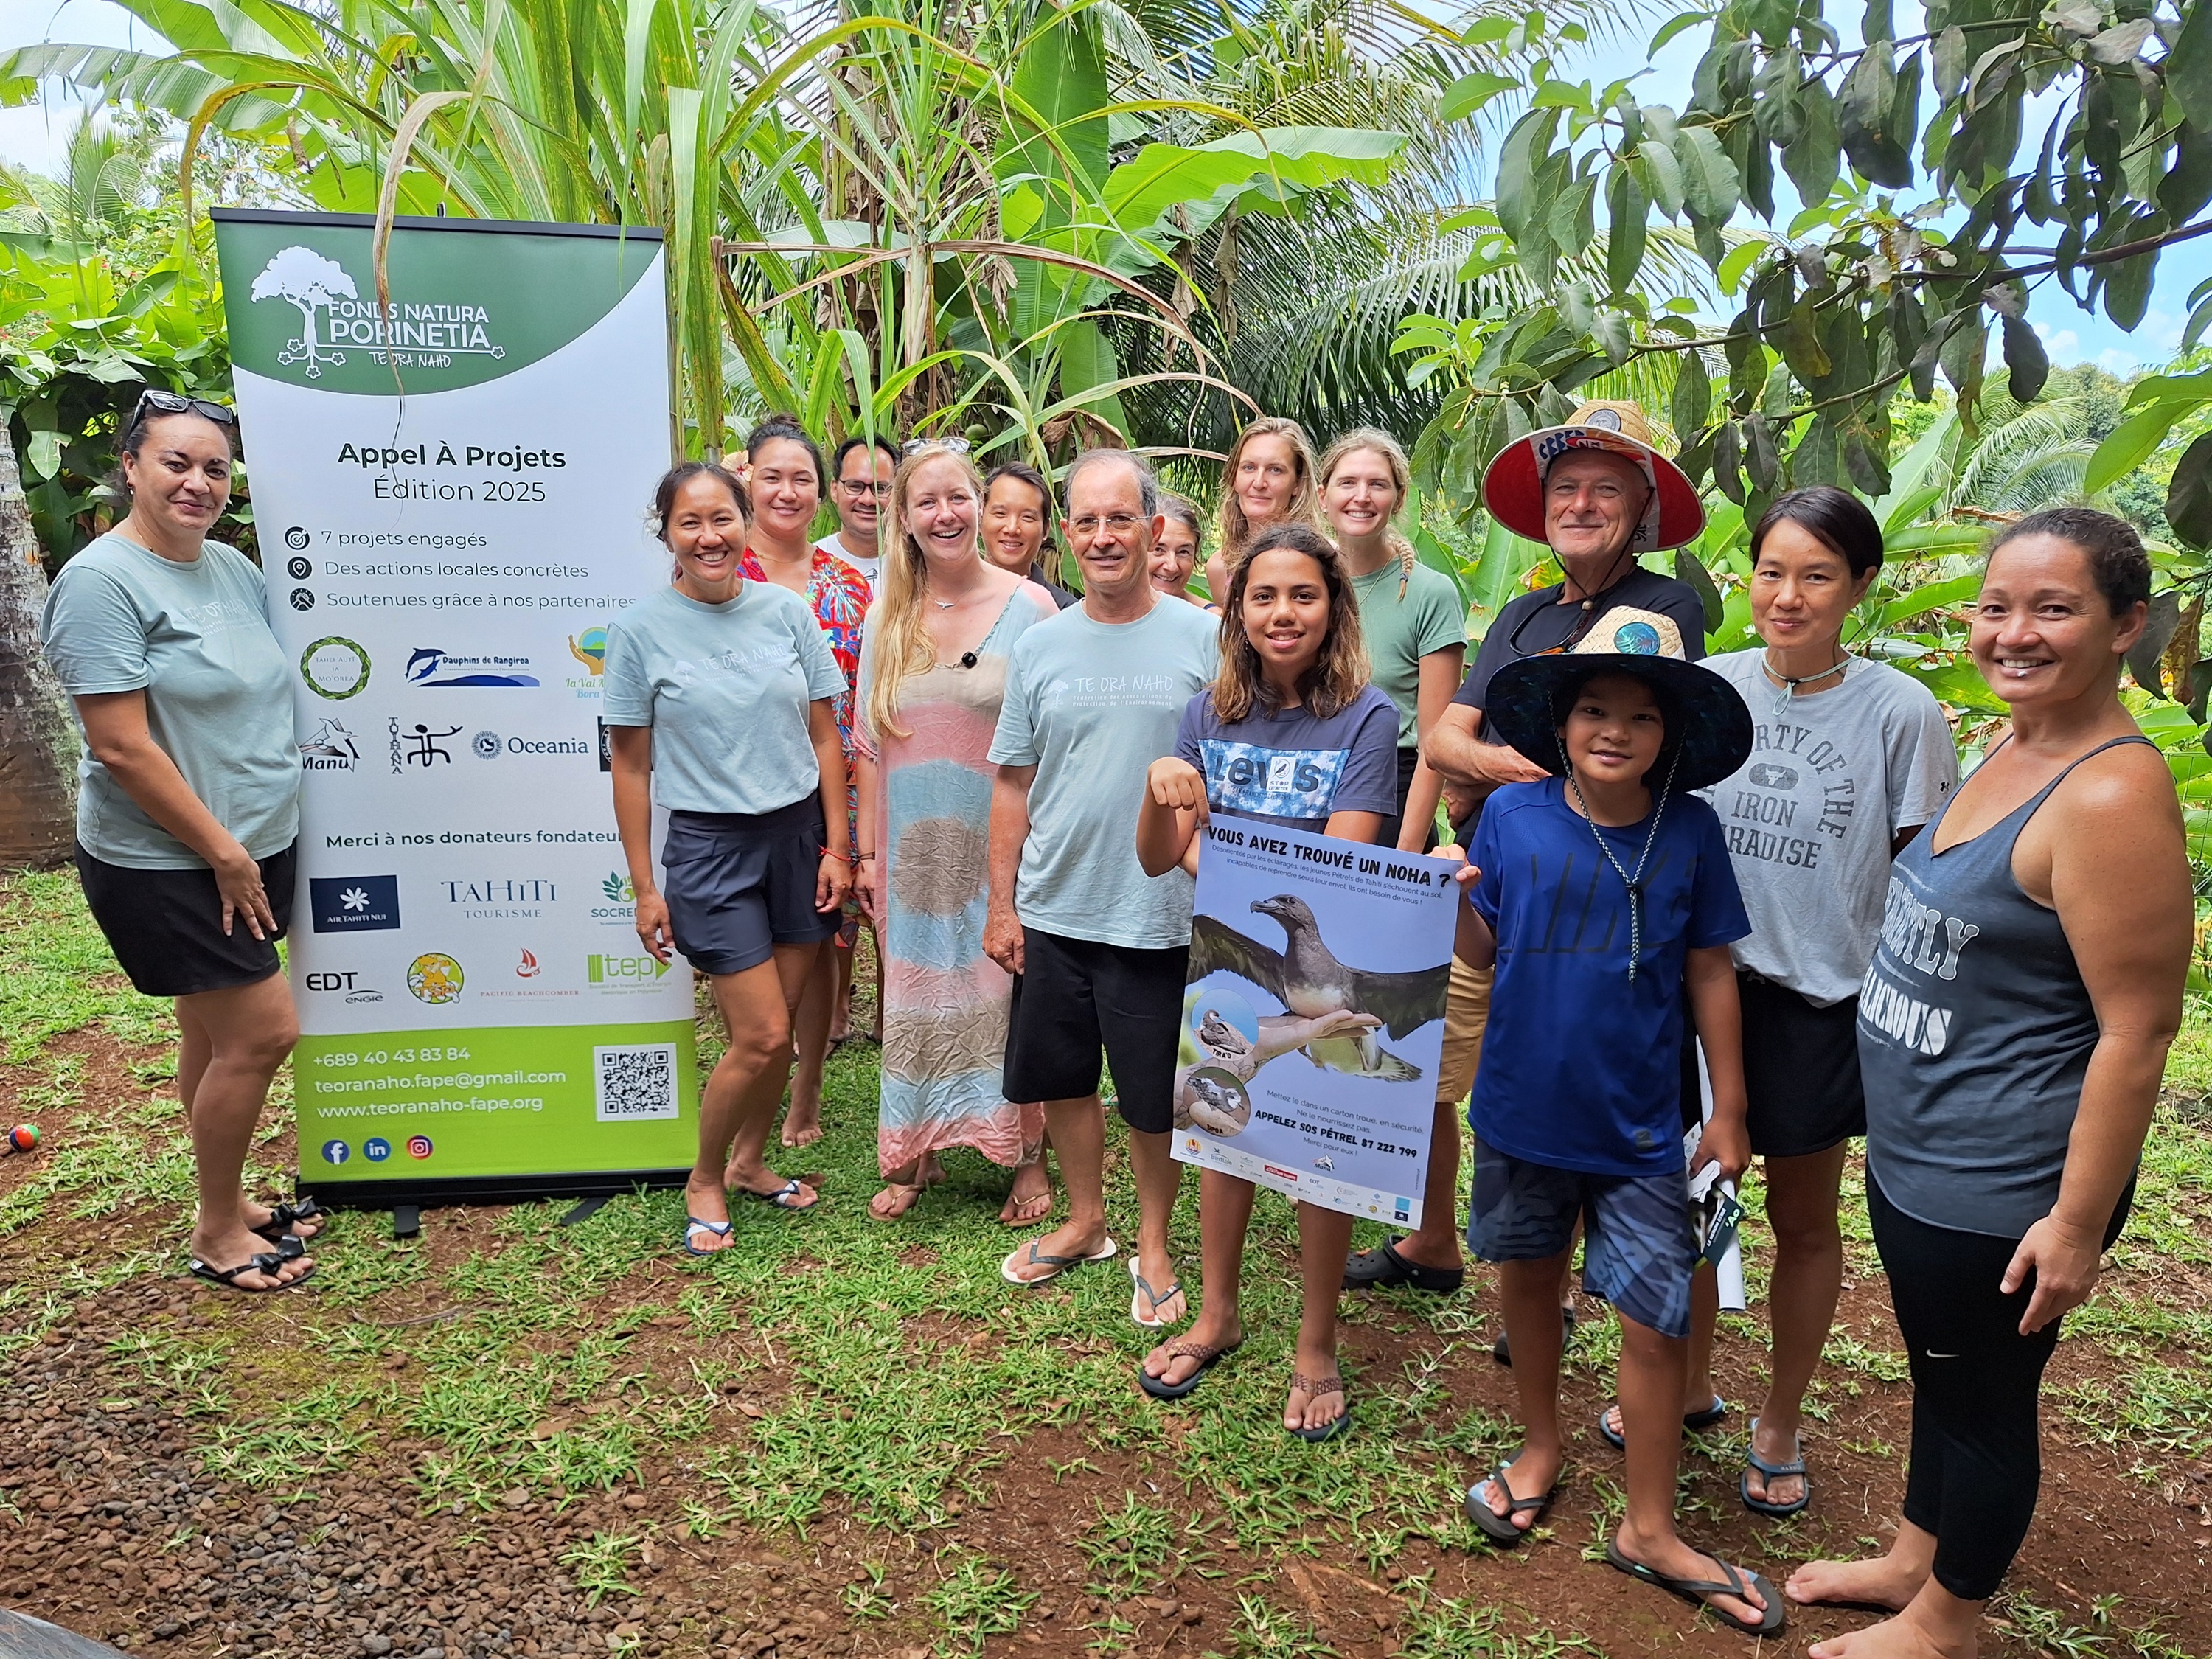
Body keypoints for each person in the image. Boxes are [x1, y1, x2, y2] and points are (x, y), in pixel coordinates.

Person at [1787, 509, 2188, 1659]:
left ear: (2126, 626)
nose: (2014, 632)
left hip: (2000, 1180)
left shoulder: (2108, 796)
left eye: (2054, 607)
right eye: (1997, 604)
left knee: (1985, 1403)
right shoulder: (2016, 741)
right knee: (1942, 1369)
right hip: (1923, 1151)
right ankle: (1918, 1556)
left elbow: (2139, 1030)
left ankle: (1949, 1619)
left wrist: (2071, 1223)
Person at [1596, 488, 1957, 1516]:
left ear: (1859, 587)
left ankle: (1780, 1417)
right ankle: (1694, 1379)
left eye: (1816, 575)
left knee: (1802, 1220)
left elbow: (1920, 871)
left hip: (1814, 1006)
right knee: (1685, 1208)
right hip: (1684, 995)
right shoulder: (1707, 692)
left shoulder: (1900, 711)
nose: (1787, 595)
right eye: (1770, 571)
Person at [1450, 617, 1779, 1638]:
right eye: (1594, 708)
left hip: (1643, 1121)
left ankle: (1649, 1522)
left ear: (1670, 735)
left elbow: (1711, 967)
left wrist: (1728, 1106)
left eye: (1641, 716)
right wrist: (1456, 896)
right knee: (1530, 1282)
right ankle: (1540, 1445)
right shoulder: (1509, 818)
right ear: (1561, 719)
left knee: (1656, 1318)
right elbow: (1483, 943)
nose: (1614, 730)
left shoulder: (1692, 831)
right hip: (1520, 1107)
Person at [1354, 400, 1710, 1335]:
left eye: (1604, 490)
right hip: (1490, 882)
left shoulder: (1663, 609)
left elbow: (1626, 748)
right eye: (1566, 489)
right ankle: (1433, 1238)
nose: (1581, 505)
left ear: (1641, 511)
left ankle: (1555, 1286)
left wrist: (1492, 780)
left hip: (1599, 897)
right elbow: (1441, 736)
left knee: (1565, 1072)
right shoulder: (1523, 611)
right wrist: (1512, 784)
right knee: (1435, 1060)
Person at [41, 390, 316, 1293]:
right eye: (177, 463)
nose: (198, 483)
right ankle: (215, 1231)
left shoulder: (231, 571)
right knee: (264, 1033)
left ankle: (227, 1199)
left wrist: (252, 842)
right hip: (170, 858)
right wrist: (223, 854)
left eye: (215, 469)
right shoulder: (99, 584)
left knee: (211, 1026)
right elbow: (121, 745)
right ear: (130, 468)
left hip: (257, 839)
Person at [1132, 523, 1399, 1439]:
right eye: (1263, 597)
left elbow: (1345, 861)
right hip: (1226, 964)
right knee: (1219, 1122)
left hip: (1316, 972)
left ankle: (1316, 1343)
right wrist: (1157, 785)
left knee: (1322, 1147)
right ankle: (1217, 1311)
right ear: (1236, 611)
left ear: (1333, 608)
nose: (1283, 614)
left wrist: (1221, 864)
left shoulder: (1367, 717)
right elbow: (1161, 856)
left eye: (1303, 596)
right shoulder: (1208, 715)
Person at [986, 450, 1218, 1322]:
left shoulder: (1203, 636)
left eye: (1121, 519)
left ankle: (1153, 1244)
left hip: (1160, 912)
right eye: (1086, 521)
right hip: (1056, 903)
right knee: (1064, 1077)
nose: (1103, 536)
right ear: (1068, 533)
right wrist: (1002, 903)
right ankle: (1087, 1221)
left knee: (1152, 1092)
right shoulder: (1040, 644)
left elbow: (1224, 772)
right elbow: (1013, 780)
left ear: (1154, 530)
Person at [602, 462, 851, 1252]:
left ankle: (749, 1161)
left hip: (797, 840)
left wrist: (838, 847)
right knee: (764, 1036)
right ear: (667, 533)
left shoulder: (786, 613)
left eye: (722, 520)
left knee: (781, 1029)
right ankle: (705, 1174)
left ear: (744, 522)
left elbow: (824, 736)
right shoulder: (641, 631)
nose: (709, 537)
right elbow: (633, 768)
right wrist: (646, 887)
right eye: (690, 524)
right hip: (710, 851)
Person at [853, 444, 1059, 1225]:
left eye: (957, 498)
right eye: (926, 502)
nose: (945, 514)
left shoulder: (1033, 609)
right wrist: (867, 856)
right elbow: (869, 743)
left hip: (999, 848)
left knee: (1004, 993)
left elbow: (1050, 739)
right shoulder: (889, 615)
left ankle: (1024, 1159)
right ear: (903, 519)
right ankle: (917, 1152)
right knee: (916, 991)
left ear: (978, 503)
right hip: (909, 854)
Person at [740, 416, 872, 1150]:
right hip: (743, 791)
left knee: (823, 943)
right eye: (771, 476)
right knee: (749, 950)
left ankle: (808, 1087)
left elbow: (862, 701)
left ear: (820, 494)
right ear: (746, 481)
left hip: (836, 790)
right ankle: (758, 1069)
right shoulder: (718, 574)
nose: (787, 492)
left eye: (801, 478)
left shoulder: (849, 588)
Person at [1315, 430, 1465, 848]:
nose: (1361, 496)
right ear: (1322, 495)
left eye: (1377, 484)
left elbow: (1434, 743)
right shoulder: (1302, 583)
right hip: (1307, 780)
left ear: (1398, 499)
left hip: (1390, 791)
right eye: (1348, 483)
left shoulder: (1428, 592)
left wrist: (1405, 854)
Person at [1200, 417, 1320, 601]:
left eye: (1275, 470)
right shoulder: (1220, 568)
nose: (1258, 483)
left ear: (1297, 483)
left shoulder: (1323, 559)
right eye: (1249, 468)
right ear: (1234, 479)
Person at [980, 461, 1077, 608]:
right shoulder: (948, 596)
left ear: (1046, 529)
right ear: (979, 518)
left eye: (1027, 517)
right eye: (1000, 514)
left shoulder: (1061, 610)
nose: (1012, 529)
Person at [821, 433, 900, 591]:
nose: (868, 500)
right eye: (855, 486)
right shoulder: (811, 566)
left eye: (881, 489)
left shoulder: (918, 567)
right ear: (834, 490)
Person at [1148, 495, 1208, 605]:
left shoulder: (1211, 620)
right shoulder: (1110, 615)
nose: (1172, 567)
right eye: (1158, 549)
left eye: (1183, 552)